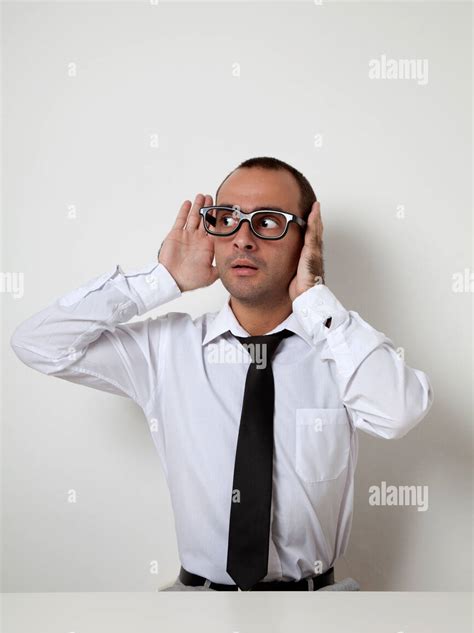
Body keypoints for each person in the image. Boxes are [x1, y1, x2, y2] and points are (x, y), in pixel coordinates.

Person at [10, 156, 434, 592]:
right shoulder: (166, 350)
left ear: (307, 236)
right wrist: (162, 279)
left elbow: (400, 412)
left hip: (320, 613)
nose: (243, 239)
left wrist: (316, 299)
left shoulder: (341, 350)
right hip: (195, 612)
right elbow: (39, 344)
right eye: (227, 219)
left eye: (268, 222)